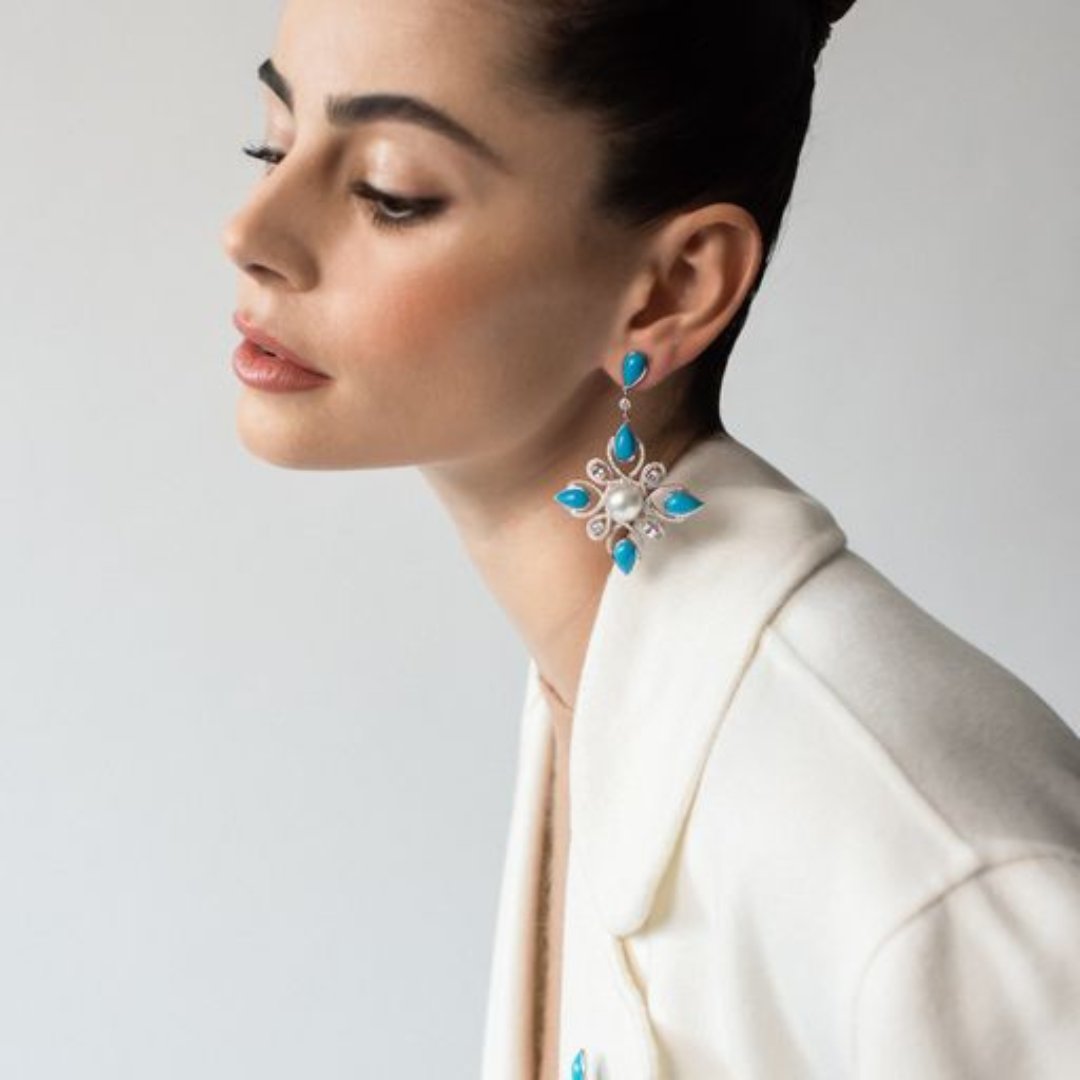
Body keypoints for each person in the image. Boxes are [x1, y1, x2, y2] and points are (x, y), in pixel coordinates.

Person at [220, 0, 1080, 1076]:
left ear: (674, 287)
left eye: (393, 193)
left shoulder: (918, 856)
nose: (250, 233)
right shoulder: (599, 680)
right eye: (274, 143)